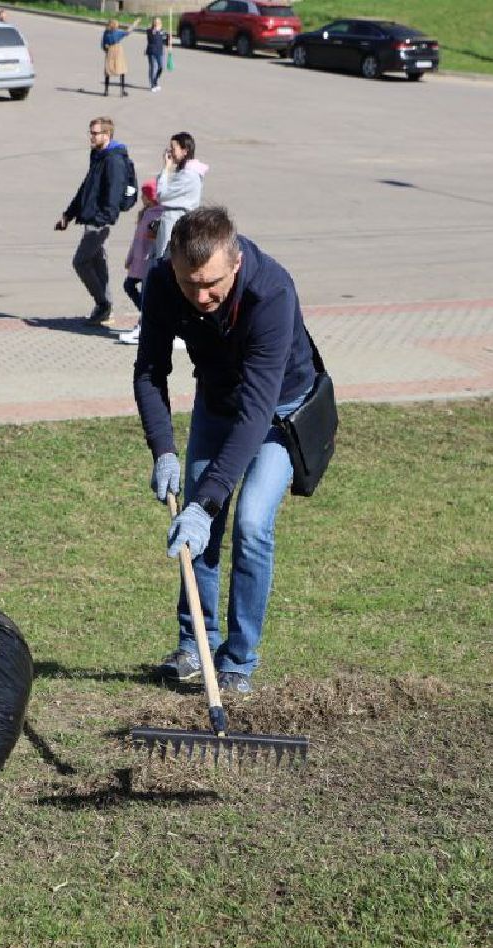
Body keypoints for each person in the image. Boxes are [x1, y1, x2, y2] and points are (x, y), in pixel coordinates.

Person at [133, 207, 317, 696]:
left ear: (235, 263)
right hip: (217, 401)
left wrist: (207, 498)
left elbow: (256, 411)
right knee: (197, 532)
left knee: (251, 522)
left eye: (212, 284)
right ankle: (195, 643)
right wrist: (163, 450)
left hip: (279, 412)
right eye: (189, 284)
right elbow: (149, 370)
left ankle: (238, 661)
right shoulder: (162, 280)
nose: (201, 296)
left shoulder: (271, 292)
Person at [119, 132, 206, 346]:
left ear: (185, 150)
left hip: (174, 230)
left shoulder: (189, 175)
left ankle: (169, 330)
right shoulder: (183, 173)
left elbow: (162, 194)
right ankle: (151, 327)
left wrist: (166, 169)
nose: (169, 152)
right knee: (159, 280)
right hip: (169, 228)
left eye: (173, 148)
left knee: (165, 281)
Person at [54, 116, 135, 326]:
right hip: (92, 217)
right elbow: (86, 187)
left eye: (95, 133)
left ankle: (103, 304)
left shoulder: (114, 160)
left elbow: (114, 193)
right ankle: (105, 309)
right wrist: (68, 214)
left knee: (80, 262)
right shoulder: (98, 155)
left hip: (99, 221)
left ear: (107, 135)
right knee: (98, 263)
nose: (91, 136)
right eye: (90, 132)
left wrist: (103, 220)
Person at [120, 178, 162, 334]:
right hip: (138, 259)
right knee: (128, 285)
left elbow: (155, 238)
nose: (142, 198)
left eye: (144, 195)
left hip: (148, 260)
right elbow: (136, 239)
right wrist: (130, 258)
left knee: (145, 293)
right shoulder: (145, 213)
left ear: (151, 197)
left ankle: (146, 319)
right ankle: (147, 314)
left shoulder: (159, 214)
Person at [101, 17, 140, 97]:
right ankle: (122, 90)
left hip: (110, 50)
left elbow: (103, 44)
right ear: (115, 26)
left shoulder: (106, 32)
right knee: (122, 69)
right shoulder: (117, 33)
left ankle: (106, 90)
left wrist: (106, 49)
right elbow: (128, 32)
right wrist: (135, 24)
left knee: (108, 70)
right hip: (118, 50)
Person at [145, 17, 168, 92]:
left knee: (161, 67)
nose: (157, 24)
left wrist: (169, 39)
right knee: (153, 68)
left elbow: (165, 41)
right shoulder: (150, 31)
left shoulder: (163, 32)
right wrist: (157, 30)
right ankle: (153, 85)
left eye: (158, 23)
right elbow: (152, 34)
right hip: (152, 52)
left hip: (160, 52)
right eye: (155, 23)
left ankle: (155, 81)